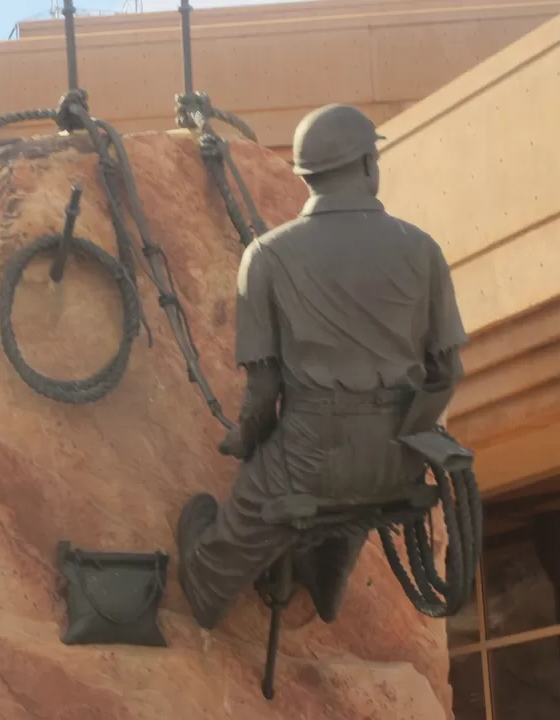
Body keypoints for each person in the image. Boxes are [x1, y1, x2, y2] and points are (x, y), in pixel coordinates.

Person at [176, 104, 468, 631]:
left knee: (235, 525)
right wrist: (411, 430)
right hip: (400, 458)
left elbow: (263, 390)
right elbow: (447, 372)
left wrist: (248, 440)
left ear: (308, 174)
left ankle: (208, 586)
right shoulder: (422, 249)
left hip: (311, 451)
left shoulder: (266, 256)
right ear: (365, 165)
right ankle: (326, 578)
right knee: (358, 489)